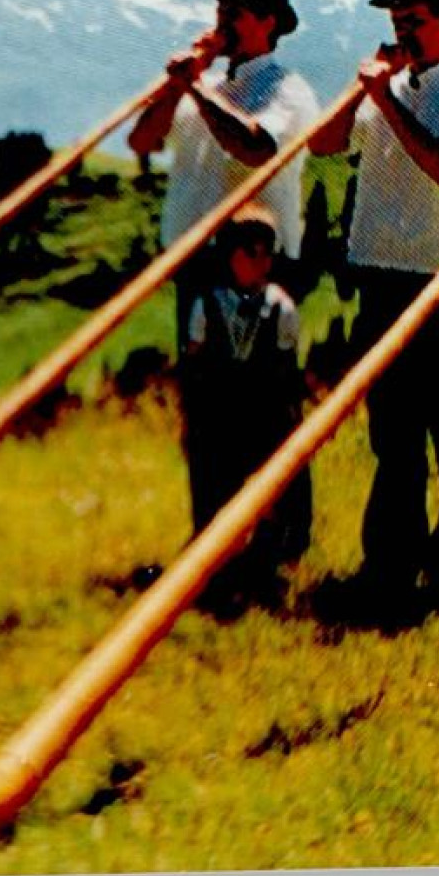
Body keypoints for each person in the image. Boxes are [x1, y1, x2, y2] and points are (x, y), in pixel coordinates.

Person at [306, 0, 439, 630]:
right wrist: (359, 90)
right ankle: (389, 566)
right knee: (393, 436)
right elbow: (324, 144)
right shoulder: (382, 91)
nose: (405, 31)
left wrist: (384, 102)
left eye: (415, 20)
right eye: (396, 20)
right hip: (381, 279)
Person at [128, 0, 319, 536]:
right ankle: (213, 534)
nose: (223, 23)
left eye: (235, 13)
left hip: (259, 262)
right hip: (199, 258)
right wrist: (174, 89)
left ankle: (280, 533)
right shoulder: (201, 88)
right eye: (220, 11)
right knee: (207, 407)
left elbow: (255, 147)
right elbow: (142, 142)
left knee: (266, 403)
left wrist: (194, 89)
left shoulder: (288, 89)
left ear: (267, 23)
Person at [179, 206, 310, 614]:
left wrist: (291, 418)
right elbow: (196, 367)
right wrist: (195, 416)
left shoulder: (282, 308)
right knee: (214, 485)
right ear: (230, 256)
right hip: (219, 415)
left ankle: (268, 563)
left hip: (265, 414)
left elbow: (288, 372)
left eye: (268, 253)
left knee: (277, 490)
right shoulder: (207, 305)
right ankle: (215, 566)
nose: (262, 262)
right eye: (251, 252)